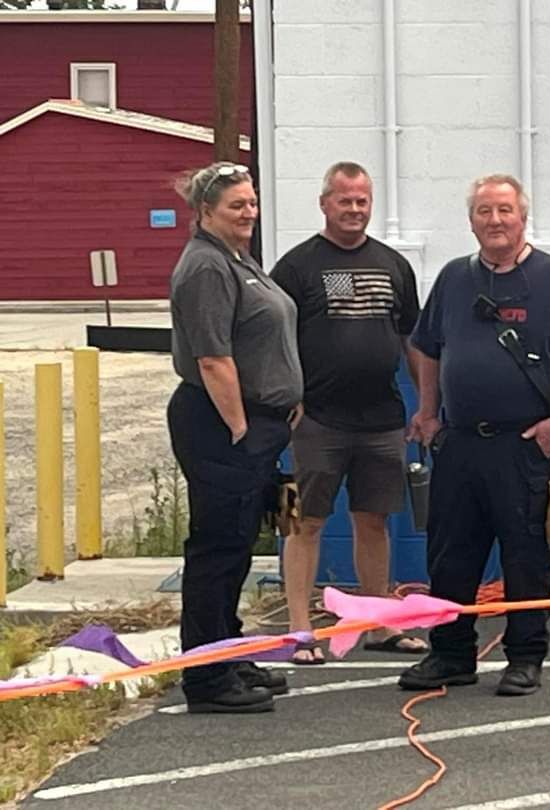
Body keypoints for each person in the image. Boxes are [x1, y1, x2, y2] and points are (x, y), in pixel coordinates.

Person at [399, 174, 550, 696]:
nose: (495, 221)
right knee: (450, 556)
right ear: (471, 221)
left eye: (504, 210)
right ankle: (451, 654)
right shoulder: (453, 279)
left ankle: (525, 658)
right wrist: (428, 413)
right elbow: (427, 348)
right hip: (459, 443)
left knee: (526, 557)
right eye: (484, 211)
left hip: (524, 446)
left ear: (523, 218)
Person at [271, 162, 428, 664]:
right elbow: (272, 340)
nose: (355, 209)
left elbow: (412, 340)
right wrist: (286, 398)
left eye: (362, 201)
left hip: (382, 420)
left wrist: (427, 405)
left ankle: (378, 625)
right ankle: (300, 630)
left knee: (374, 522)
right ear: (325, 204)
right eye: (345, 200)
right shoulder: (295, 267)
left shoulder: (394, 266)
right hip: (316, 422)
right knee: (303, 523)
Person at [168, 162, 304, 713]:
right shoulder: (205, 266)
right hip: (220, 424)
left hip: (254, 424)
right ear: (205, 211)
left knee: (238, 547)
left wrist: (284, 400)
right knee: (217, 551)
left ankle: (229, 653)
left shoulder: (236, 257)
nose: (249, 212)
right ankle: (207, 678)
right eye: (236, 205)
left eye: (251, 202)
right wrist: (242, 428)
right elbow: (213, 358)